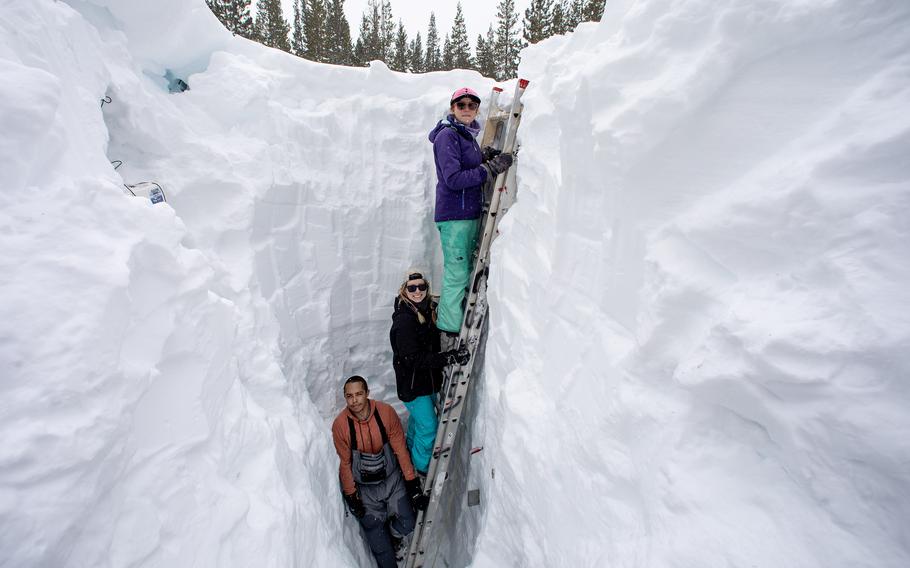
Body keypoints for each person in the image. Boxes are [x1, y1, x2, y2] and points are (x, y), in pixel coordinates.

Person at [428, 87, 514, 334]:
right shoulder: (448, 135)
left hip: (465, 214)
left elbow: (463, 163)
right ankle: (449, 331)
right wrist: (488, 169)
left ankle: (452, 323)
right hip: (455, 216)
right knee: (456, 275)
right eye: (461, 104)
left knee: (462, 271)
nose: (467, 109)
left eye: (472, 105)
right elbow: (453, 178)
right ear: (452, 107)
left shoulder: (464, 135)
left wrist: (483, 157)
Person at [331, 376, 429, 568]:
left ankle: (394, 534)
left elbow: (400, 449)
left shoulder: (385, 413)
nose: (355, 400)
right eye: (349, 396)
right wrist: (352, 496)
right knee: (381, 549)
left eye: (359, 394)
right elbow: (345, 463)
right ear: (345, 398)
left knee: (409, 523)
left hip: (392, 481)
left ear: (367, 393)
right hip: (365, 490)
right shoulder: (341, 425)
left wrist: (412, 484)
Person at [389, 269, 470, 474]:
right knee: (429, 429)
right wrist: (449, 357)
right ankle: (421, 470)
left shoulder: (425, 309)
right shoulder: (404, 320)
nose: (417, 291)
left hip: (426, 383)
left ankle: (409, 457)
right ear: (404, 290)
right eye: (412, 288)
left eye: (421, 286)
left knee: (418, 425)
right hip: (415, 388)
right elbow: (413, 359)